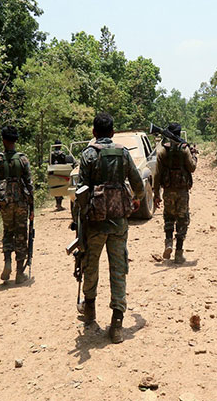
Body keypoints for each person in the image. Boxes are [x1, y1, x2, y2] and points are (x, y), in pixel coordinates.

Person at [76, 112, 144, 343]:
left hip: (95, 222)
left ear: (94, 133)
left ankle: (90, 311)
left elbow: (81, 191)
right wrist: (136, 200)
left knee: (90, 265)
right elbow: (138, 183)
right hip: (119, 222)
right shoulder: (123, 153)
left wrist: (79, 222)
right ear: (113, 133)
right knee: (118, 268)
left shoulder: (88, 154)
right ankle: (117, 324)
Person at [0, 126, 34, 284]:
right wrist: (32, 208)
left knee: (8, 232)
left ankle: (7, 261)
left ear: (4, 140)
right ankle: (20, 272)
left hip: (4, 202)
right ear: (15, 140)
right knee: (21, 234)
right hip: (21, 202)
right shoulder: (23, 159)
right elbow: (29, 185)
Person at [153, 123, 197, 264]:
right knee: (183, 220)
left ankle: (168, 243)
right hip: (182, 191)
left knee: (169, 217)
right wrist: (194, 154)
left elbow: (157, 175)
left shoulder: (162, 151)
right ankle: (178, 253)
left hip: (167, 190)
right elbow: (192, 168)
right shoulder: (184, 150)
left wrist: (156, 194)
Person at [50, 139, 68, 211]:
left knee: (55, 187)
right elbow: (65, 162)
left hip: (53, 171)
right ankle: (59, 205)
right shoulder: (62, 154)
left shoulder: (51, 153)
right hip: (61, 171)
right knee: (61, 187)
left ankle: (58, 204)